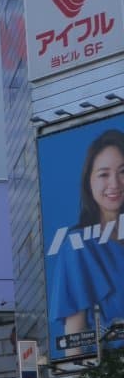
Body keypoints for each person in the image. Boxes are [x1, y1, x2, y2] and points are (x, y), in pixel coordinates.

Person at [49, 129, 124, 352]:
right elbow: (75, 342)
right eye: (103, 174)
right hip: (111, 369)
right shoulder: (77, 246)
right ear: (89, 181)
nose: (115, 183)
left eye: (122, 172)